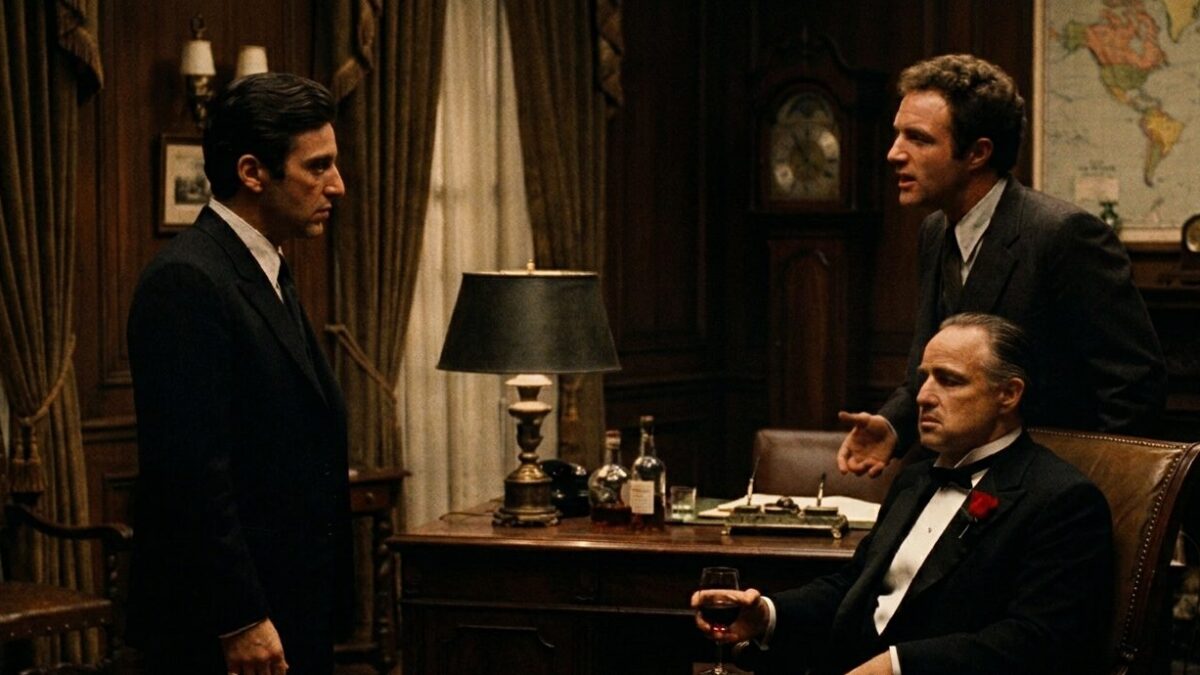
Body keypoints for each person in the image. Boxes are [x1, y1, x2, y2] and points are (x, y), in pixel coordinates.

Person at [693, 313, 1113, 674]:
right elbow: (853, 587)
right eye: (924, 378)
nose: (924, 397)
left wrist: (898, 666)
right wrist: (767, 614)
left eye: (949, 380)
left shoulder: (1062, 499)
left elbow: (1036, 641)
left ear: (1009, 394)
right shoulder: (915, 479)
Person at [838, 54, 1165, 479]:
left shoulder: (1063, 235)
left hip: (1046, 489)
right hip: (963, 477)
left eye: (917, 139)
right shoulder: (934, 231)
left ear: (978, 152)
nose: (894, 153)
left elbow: (1134, 386)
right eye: (898, 134)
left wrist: (1086, 493)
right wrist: (893, 426)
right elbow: (933, 367)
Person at [126, 73, 350, 674]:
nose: (337, 184)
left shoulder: (266, 266)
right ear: (253, 172)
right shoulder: (188, 280)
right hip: (227, 629)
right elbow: (189, 475)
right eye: (318, 166)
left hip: (290, 602)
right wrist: (241, 617)